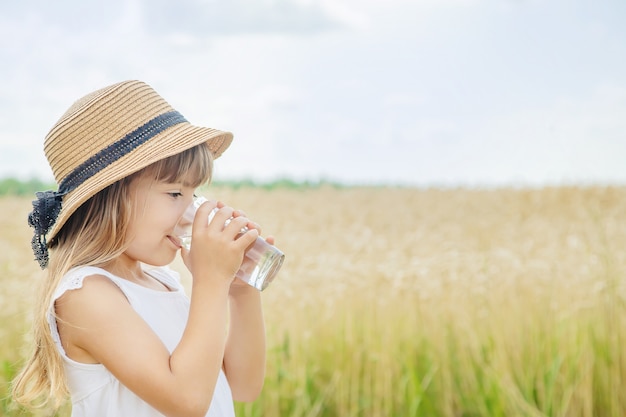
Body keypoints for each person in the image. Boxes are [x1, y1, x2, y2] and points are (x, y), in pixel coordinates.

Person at [11, 80, 268, 417]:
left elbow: (242, 387)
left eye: (194, 195)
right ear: (111, 199)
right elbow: (186, 401)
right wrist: (211, 281)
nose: (190, 211)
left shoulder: (163, 282)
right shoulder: (86, 294)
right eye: (175, 194)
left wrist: (238, 291)